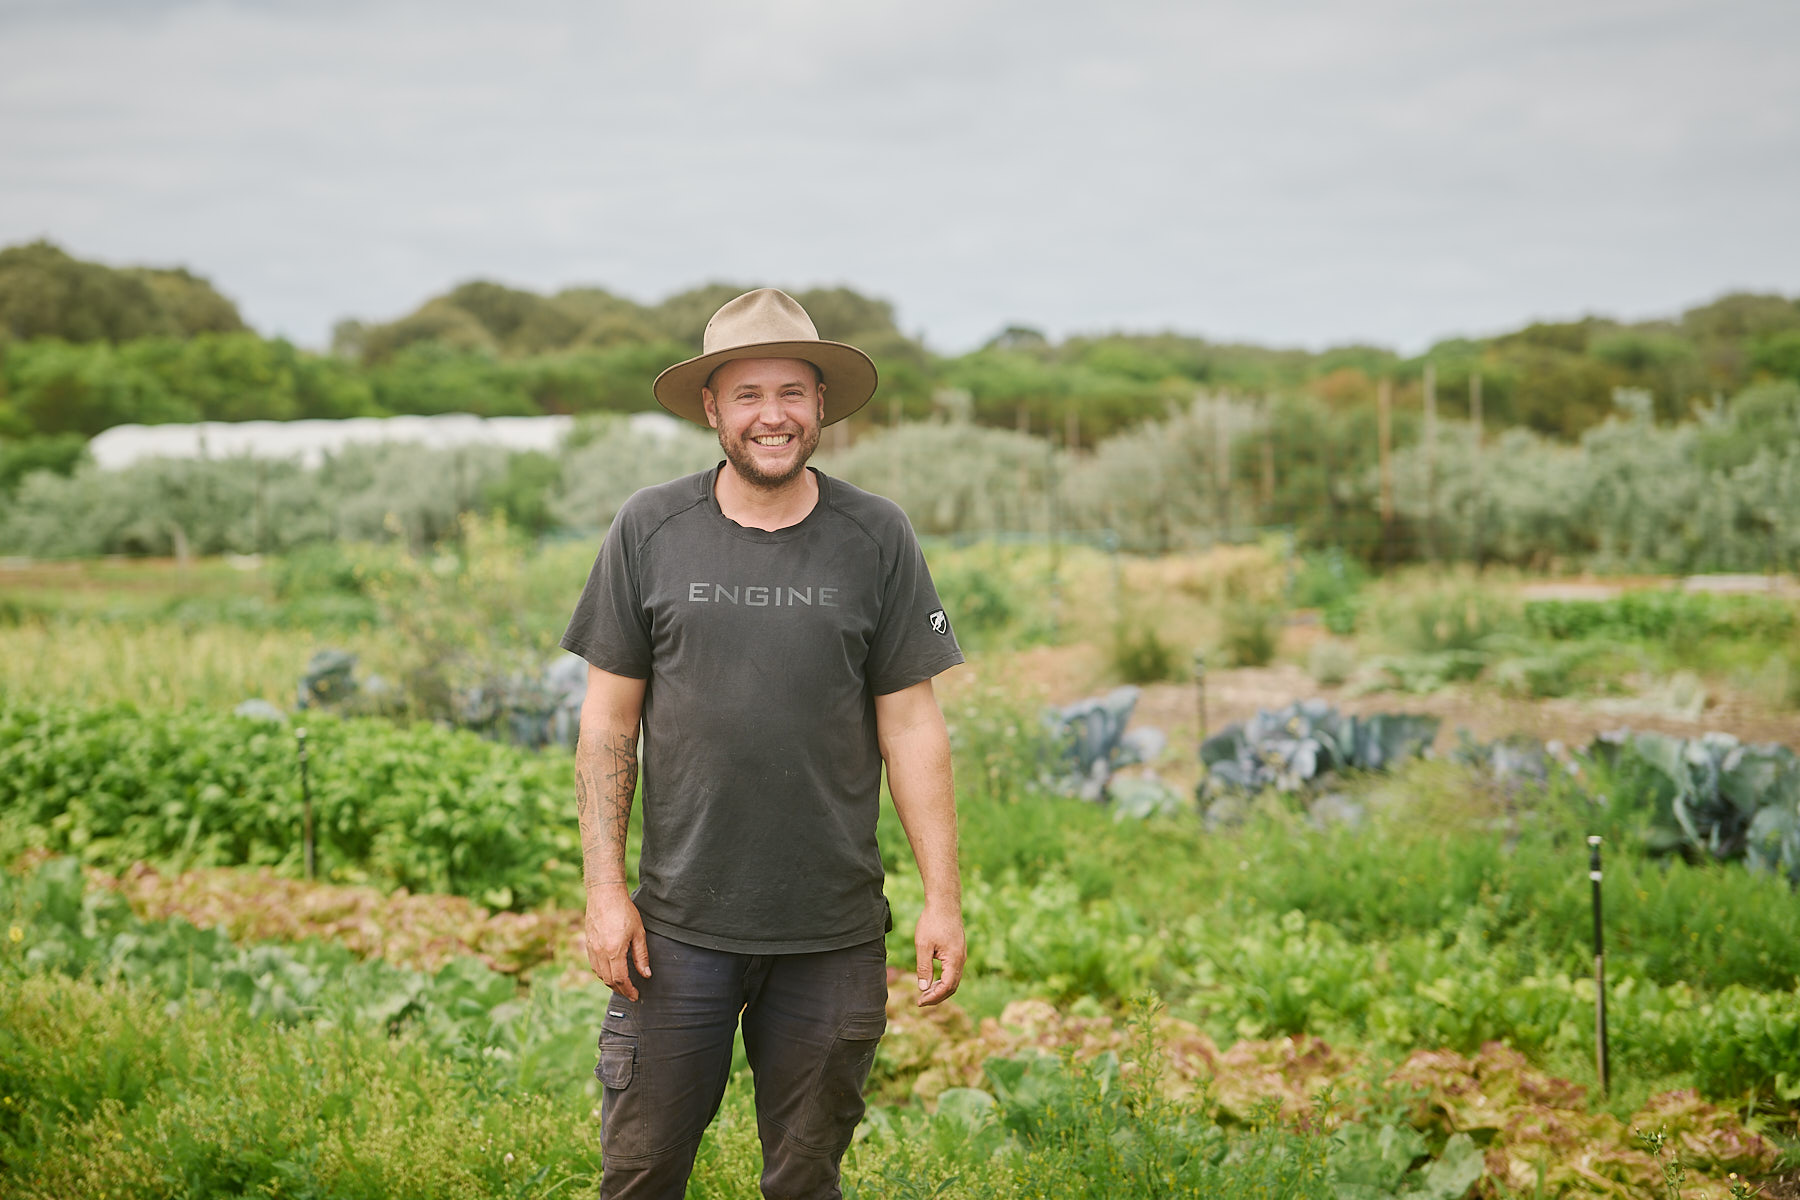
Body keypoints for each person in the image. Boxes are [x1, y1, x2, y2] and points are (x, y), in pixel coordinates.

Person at [559, 287, 967, 1199]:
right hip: (675, 931)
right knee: (641, 1172)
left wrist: (943, 898)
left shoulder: (876, 537)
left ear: (822, 403)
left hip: (831, 932)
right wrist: (602, 891)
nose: (770, 415)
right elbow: (607, 723)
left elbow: (913, 726)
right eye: (746, 395)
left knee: (806, 1178)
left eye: (791, 392)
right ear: (711, 409)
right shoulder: (650, 529)